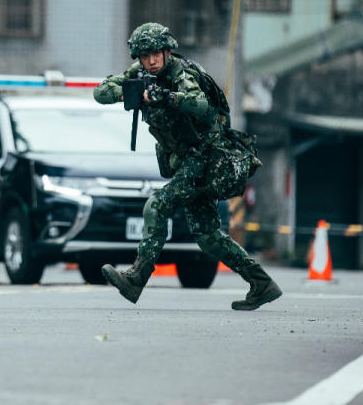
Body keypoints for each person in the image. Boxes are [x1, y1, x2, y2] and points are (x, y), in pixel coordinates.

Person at [93, 22, 281, 310]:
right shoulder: (141, 74)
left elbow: (201, 105)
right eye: (144, 55)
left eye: (156, 53)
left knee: (156, 206)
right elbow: (101, 91)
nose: (151, 60)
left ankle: (136, 278)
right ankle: (261, 283)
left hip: (203, 156)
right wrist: (127, 92)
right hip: (186, 161)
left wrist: (168, 97)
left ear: (167, 51)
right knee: (207, 237)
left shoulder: (182, 73)